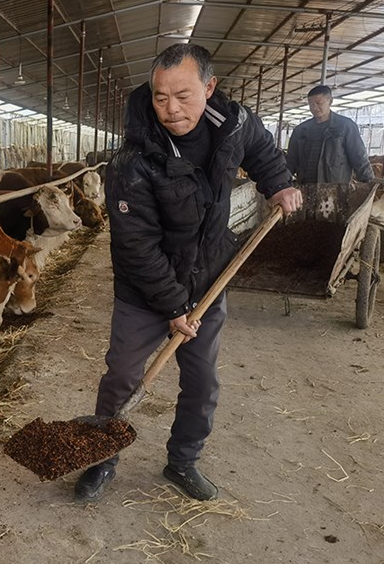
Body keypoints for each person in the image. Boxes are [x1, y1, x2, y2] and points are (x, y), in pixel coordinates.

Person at [75, 43, 303, 503]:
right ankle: (103, 459)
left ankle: (183, 461)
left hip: (208, 279)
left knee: (201, 382)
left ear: (209, 87)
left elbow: (261, 147)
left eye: (183, 96)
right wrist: (174, 307)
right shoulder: (132, 162)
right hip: (145, 291)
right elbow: (136, 246)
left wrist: (278, 183)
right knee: (122, 375)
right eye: (160, 97)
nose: (171, 109)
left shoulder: (234, 124)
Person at [285, 85, 374, 183]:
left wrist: (367, 181)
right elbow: (291, 160)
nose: (314, 107)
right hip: (306, 185)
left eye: (319, 103)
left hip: (335, 187)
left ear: (330, 101)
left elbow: (358, 156)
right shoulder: (301, 130)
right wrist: (281, 182)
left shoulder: (345, 126)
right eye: (311, 104)